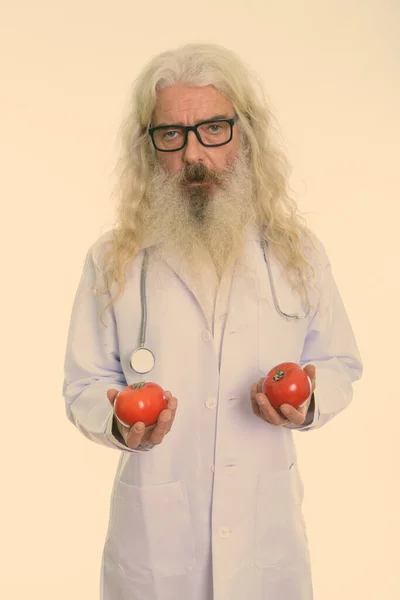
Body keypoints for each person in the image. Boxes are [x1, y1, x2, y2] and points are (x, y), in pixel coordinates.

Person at [62, 43, 363, 600]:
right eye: (171, 135)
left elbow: (340, 361)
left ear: (244, 134)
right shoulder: (114, 260)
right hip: (155, 546)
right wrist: (117, 421)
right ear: (149, 147)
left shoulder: (296, 253)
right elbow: (84, 384)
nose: (193, 153)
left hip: (264, 544)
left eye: (213, 129)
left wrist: (311, 400)